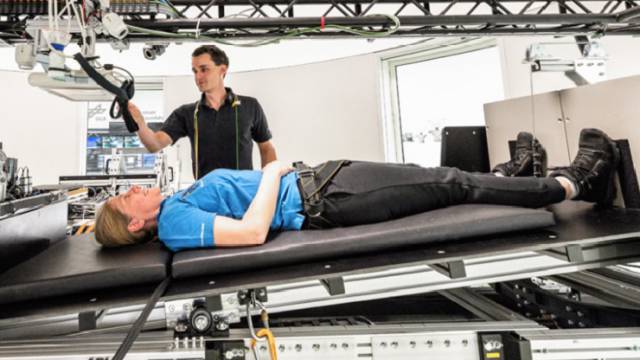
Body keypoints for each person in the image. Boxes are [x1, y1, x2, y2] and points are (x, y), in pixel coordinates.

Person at [95, 128, 620, 252]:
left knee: (434, 177)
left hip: (321, 179)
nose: (133, 189)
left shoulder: (176, 203)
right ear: (135, 223)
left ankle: (512, 177)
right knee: (449, 184)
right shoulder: (173, 225)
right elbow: (253, 232)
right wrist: (275, 174)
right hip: (324, 200)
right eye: (125, 199)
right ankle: (571, 183)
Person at [127, 45, 277, 179]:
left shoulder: (250, 106)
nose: (198, 77)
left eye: (204, 69)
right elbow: (155, 144)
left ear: (222, 70)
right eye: (195, 71)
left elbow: (266, 148)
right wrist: (139, 123)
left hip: (243, 195)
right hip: (205, 197)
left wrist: (267, 183)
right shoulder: (186, 113)